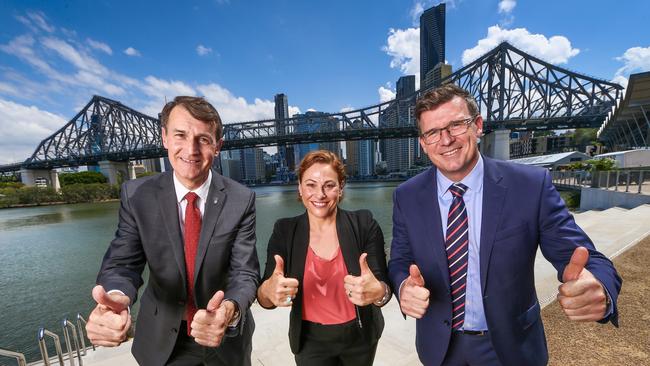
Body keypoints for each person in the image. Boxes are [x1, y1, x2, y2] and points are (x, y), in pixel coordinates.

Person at [388, 84, 622, 366]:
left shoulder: (530, 186)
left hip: (511, 348)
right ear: (423, 143)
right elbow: (400, 260)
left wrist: (599, 287)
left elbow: (588, 259)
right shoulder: (407, 196)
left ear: (477, 126)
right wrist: (403, 288)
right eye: (433, 132)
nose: (446, 140)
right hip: (439, 348)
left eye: (456, 126)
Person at [85, 96, 260, 366]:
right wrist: (117, 298)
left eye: (203, 139)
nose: (191, 150)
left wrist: (229, 309)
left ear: (218, 147)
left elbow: (245, 272)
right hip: (161, 341)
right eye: (180, 135)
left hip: (224, 338)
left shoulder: (241, 199)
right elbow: (123, 264)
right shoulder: (136, 195)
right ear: (165, 137)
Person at [257, 150, 391, 366]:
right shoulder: (284, 230)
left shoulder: (364, 224)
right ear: (300, 188)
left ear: (341, 188)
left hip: (360, 335)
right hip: (310, 340)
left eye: (329, 185)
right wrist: (268, 291)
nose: (319, 194)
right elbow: (265, 295)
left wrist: (380, 293)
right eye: (310, 185)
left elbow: (382, 286)